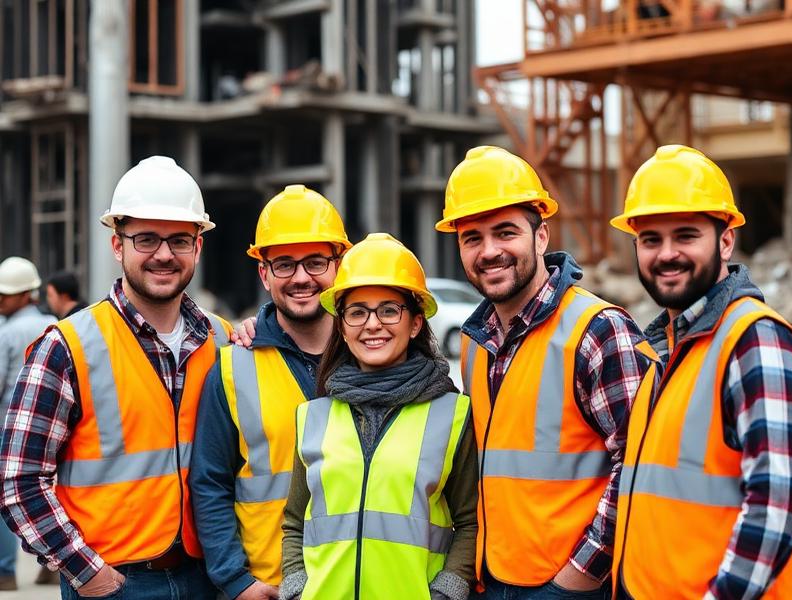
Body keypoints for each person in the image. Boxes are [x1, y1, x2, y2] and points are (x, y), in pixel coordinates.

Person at [0, 156, 232, 600]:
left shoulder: (221, 339)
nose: (164, 254)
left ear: (198, 248)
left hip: (209, 577)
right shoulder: (68, 345)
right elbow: (18, 478)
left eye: (180, 240)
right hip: (116, 583)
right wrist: (87, 573)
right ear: (116, 245)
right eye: (146, 239)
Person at [435, 146, 652, 599]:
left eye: (505, 232)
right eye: (472, 238)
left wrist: (580, 576)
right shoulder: (477, 343)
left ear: (541, 236)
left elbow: (639, 466)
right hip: (493, 578)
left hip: (569, 587)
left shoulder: (597, 329)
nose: (489, 251)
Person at [610, 144, 792, 599]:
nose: (666, 254)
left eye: (686, 235)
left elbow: (777, 505)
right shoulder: (667, 349)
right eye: (651, 239)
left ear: (726, 240)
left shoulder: (755, 339)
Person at [279, 233, 477, 600]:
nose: (372, 324)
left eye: (389, 310)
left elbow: (470, 522)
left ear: (415, 323)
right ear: (341, 325)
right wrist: (295, 587)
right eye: (357, 312)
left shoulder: (453, 415)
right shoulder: (313, 417)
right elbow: (294, 521)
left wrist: (448, 591)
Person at [189, 185, 351, 600]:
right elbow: (210, 483)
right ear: (264, 273)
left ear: (340, 265)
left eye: (316, 262)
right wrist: (235, 580)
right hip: (269, 587)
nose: (301, 278)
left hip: (357, 579)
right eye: (284, 264)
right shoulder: (232, 367)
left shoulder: (375, 355)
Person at [0, 256, 56, 591]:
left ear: (25, 294)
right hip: (54, 427)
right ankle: (50, 563)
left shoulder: (6, 332)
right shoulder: (55, 322)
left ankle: (5, 571)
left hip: (9, 427)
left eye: (5, 295)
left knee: (7, 499)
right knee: (46, 496)